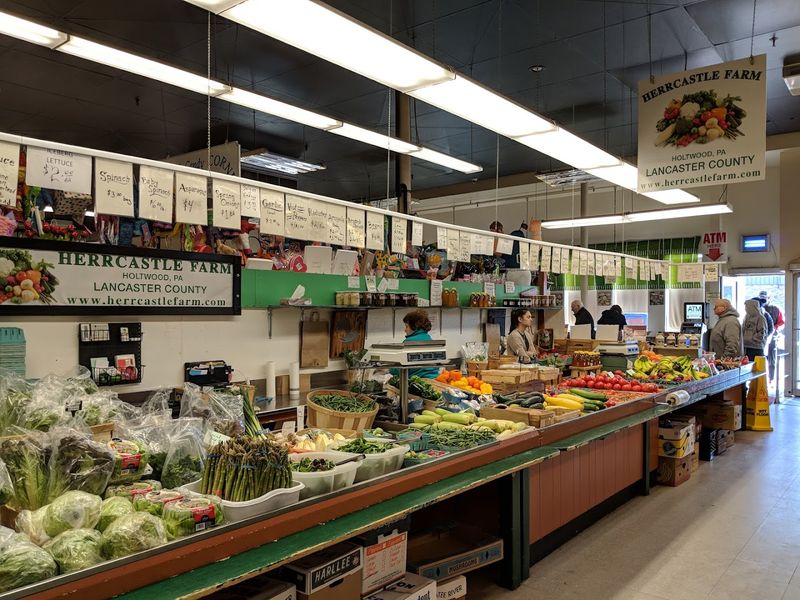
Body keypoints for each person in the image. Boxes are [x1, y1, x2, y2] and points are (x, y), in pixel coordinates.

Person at [389, 310, 441, 379]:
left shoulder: (409, 342)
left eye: (407, 326)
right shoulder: (428, 338)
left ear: (415, 326)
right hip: (434, 379)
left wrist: (389, 369)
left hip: (417, 381)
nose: (405, 330)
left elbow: (401, 367)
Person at [760, 291, 785, 382]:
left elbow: (781, 322)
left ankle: (771, 378)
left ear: (769, 298)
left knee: (772, 358)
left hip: (773, 337)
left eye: (765, 297)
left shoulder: (775, 309)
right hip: (760, 337)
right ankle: (761, 378)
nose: (763, 299)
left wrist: (775, 328)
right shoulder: (758, 309)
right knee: (761, 357)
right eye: (761, 297)